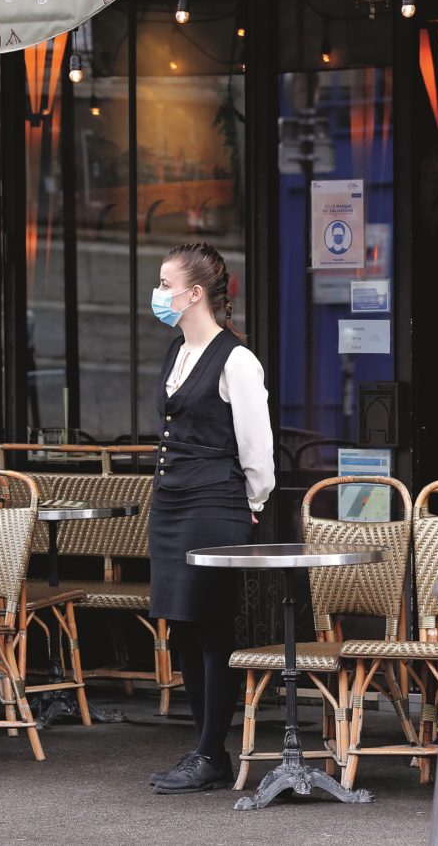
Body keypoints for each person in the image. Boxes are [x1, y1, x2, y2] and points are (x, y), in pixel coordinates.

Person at [146, 242, 274, 794]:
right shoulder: (178, 350)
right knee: (181, 625)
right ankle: (204, 747)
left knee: (211, 626)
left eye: (165, 284)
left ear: (195, 293)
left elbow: (257, 447)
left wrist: (254, 503)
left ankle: (210, 752)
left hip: (216, 502)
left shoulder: (238, 360)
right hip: (172, 500)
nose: (159, 294)